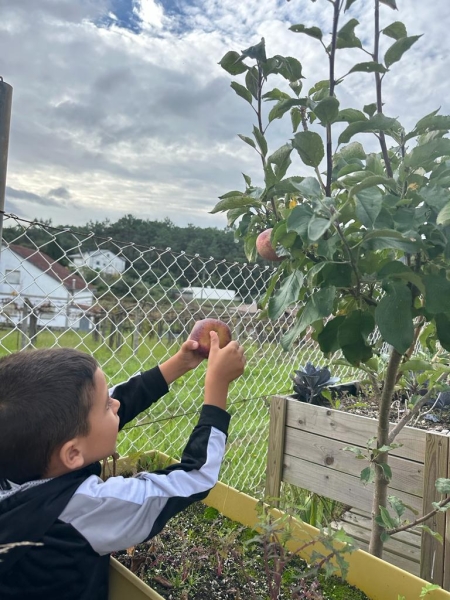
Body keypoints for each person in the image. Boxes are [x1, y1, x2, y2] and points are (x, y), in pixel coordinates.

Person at [0, 330, 246, 599]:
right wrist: (217, 388)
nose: (116, 403)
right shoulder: (82, 510)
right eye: (107, 405)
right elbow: (194, 477)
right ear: (72, 454)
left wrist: (181, 363)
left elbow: (98, 413)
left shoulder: (21, 453)